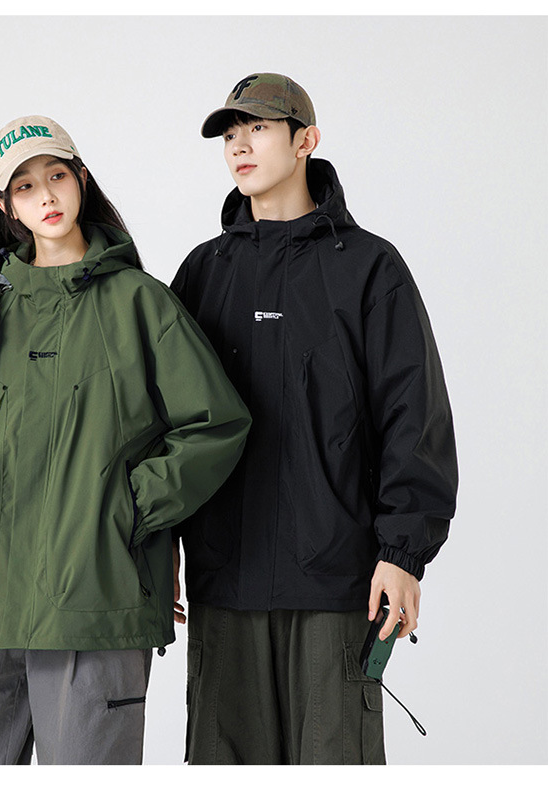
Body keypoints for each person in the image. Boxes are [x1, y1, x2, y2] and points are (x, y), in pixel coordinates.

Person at [0, 115, 251, 765]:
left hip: (94, 599)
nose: (46, 196)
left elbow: (217, 422)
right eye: (25, 186)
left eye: (57, 176)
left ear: (82, 180)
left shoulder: (140, 303)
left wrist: (127, 508)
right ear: (6, 207)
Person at [170, 74, 458, 765]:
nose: (240, 146)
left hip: (338, 580)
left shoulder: (368, 268)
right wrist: (159, 555)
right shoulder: (204, 272)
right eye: (230, 135)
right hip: (224, 578)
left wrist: (402, 554)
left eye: (259, 128)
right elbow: (168, 426)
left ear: (307, 140)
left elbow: (413, 414)